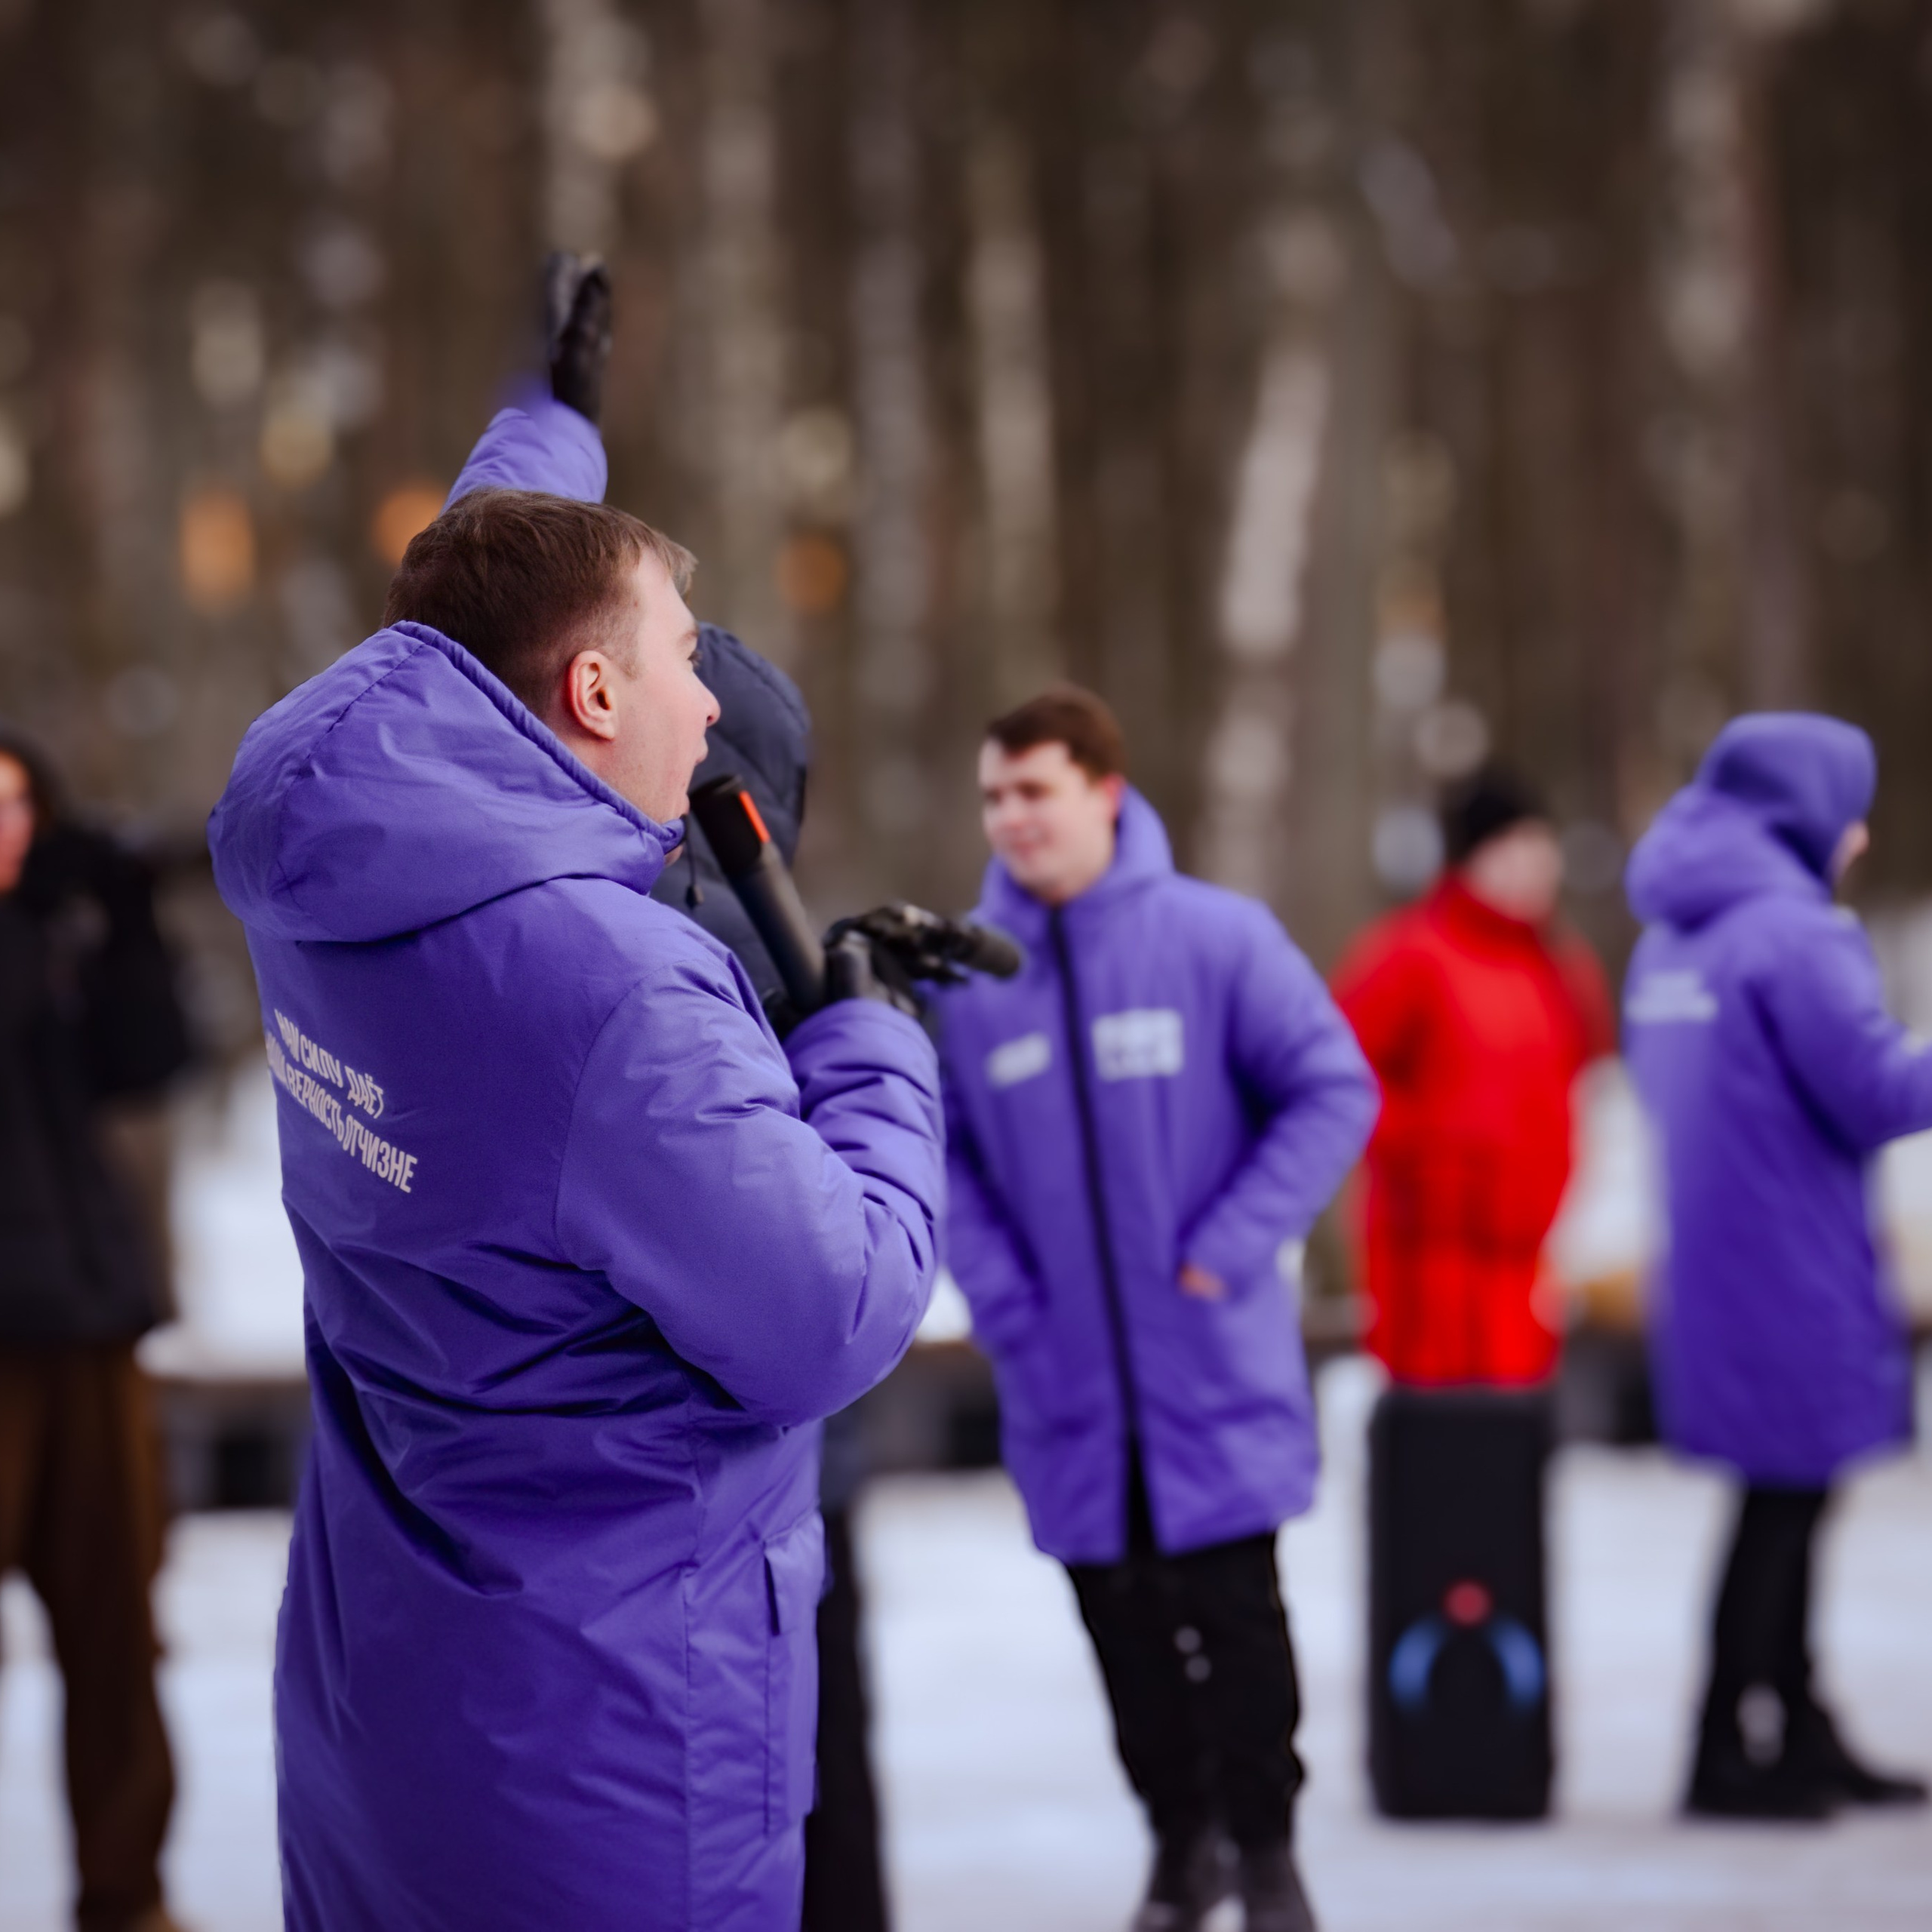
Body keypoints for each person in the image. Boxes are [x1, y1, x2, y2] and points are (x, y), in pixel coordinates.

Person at [205, 260, 945, 1930]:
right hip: (602, 1748)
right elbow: (832, 1311)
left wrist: (549, 418)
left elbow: (470, 592)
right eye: (686, 659)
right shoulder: (614, 991)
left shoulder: (330, 842)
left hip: (384, 1697)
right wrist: (872, 1044)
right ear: (595, 697)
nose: (713, 701)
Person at [936, 685, 1377, 1932]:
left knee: (1238, 1629)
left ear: (1105, 793)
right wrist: (1003, 1295)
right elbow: (944, 1156)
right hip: (1065, 1380)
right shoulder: (971, 980)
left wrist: (1230, 1245)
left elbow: (1332, 1089)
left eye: (1035, 790)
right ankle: (1183, 1848)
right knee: (1123, 1637)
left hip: (1209, 1368)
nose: (1012, 818)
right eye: (994, 796)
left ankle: (1268, 1853)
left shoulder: (1215, 940)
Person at [1624, 712, 1932, 1820]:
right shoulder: (1797, 935)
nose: (1860, 837)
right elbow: (1876, 1092)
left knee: (1778, 1500)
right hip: (1796, 1267)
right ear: (1804, 811)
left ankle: (1789, 1723)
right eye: (1850, 811)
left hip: (1713, 1268)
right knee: (1785, 1510)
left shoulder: (1670, 938)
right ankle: (1727, 1748)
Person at [648, 626, 894, 1932]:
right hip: (782, 1456)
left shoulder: (659, 937)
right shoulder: (749, 946)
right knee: (814, 1756)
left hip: (697, 1472)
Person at [0, 734, 192, 1932]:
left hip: (92, 1321)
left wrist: (126, 924)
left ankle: (127, 1896)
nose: (7, 827)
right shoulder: (28, 943)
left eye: (20, 802)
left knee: (119, 1625)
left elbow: (148, 1060)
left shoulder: (56, 933)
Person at [1333, 767, 1613, 1386]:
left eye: (1540, 850)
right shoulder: (1409, 953)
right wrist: (1420, 1153)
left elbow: (1581, 1081)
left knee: (1512, 1424)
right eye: (1510, 852)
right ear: (1470, 862)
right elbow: (1340, 1074)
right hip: (1429, 1260)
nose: (1531, 869)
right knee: (1442, 1425)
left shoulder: (1561, 967)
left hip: (1526, 1255)